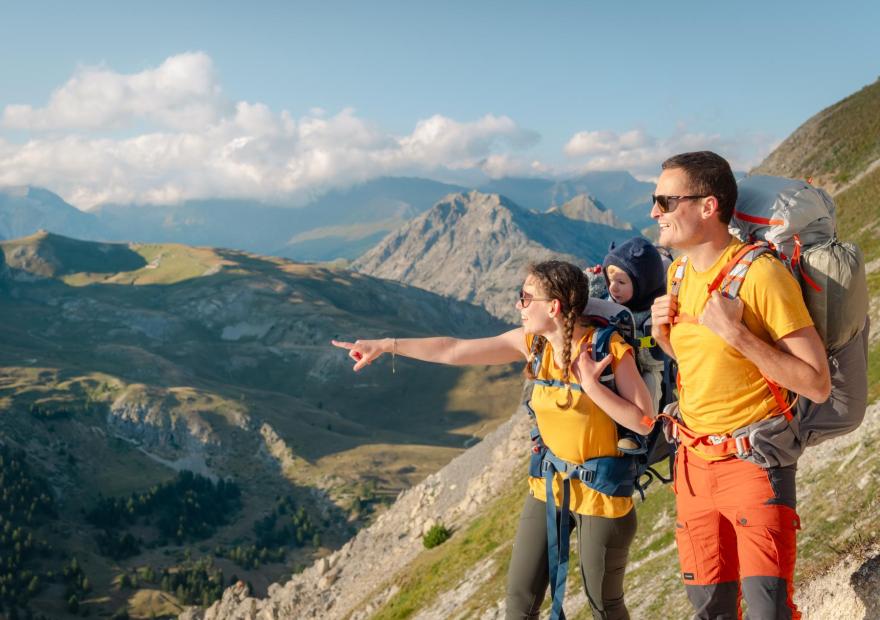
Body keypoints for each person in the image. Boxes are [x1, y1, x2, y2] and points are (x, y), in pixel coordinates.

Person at [333, 260, 654, 620]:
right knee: (519, 602)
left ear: (554, 307)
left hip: (603, 496)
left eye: (525, 297)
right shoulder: (534, 345)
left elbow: (643, 421)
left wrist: (592, 386)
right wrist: (387, 345)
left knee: (604, 606)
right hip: (548, 487)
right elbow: (452, 349)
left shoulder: (604, 347)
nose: (518, 305)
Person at [649, 151, 831, 619]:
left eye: (665, 201)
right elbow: (709, 363)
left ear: (707, 207)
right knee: (711, 609)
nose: (655, 212)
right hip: (692, 465)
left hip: (752, 464)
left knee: (768, 610)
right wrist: (664, 339)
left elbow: (816, 383)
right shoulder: (679, 272)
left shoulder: (761, 275)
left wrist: (738, 334)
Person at [602, 237, 668, 451]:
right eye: (610, 280)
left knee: (650, 384)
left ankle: (640, 431)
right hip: (618, 364)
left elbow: (660, 357)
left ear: (642, 283)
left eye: (621, 282)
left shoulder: (656, 311)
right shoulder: (608, 305)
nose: (613, 288)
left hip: (648, 366)